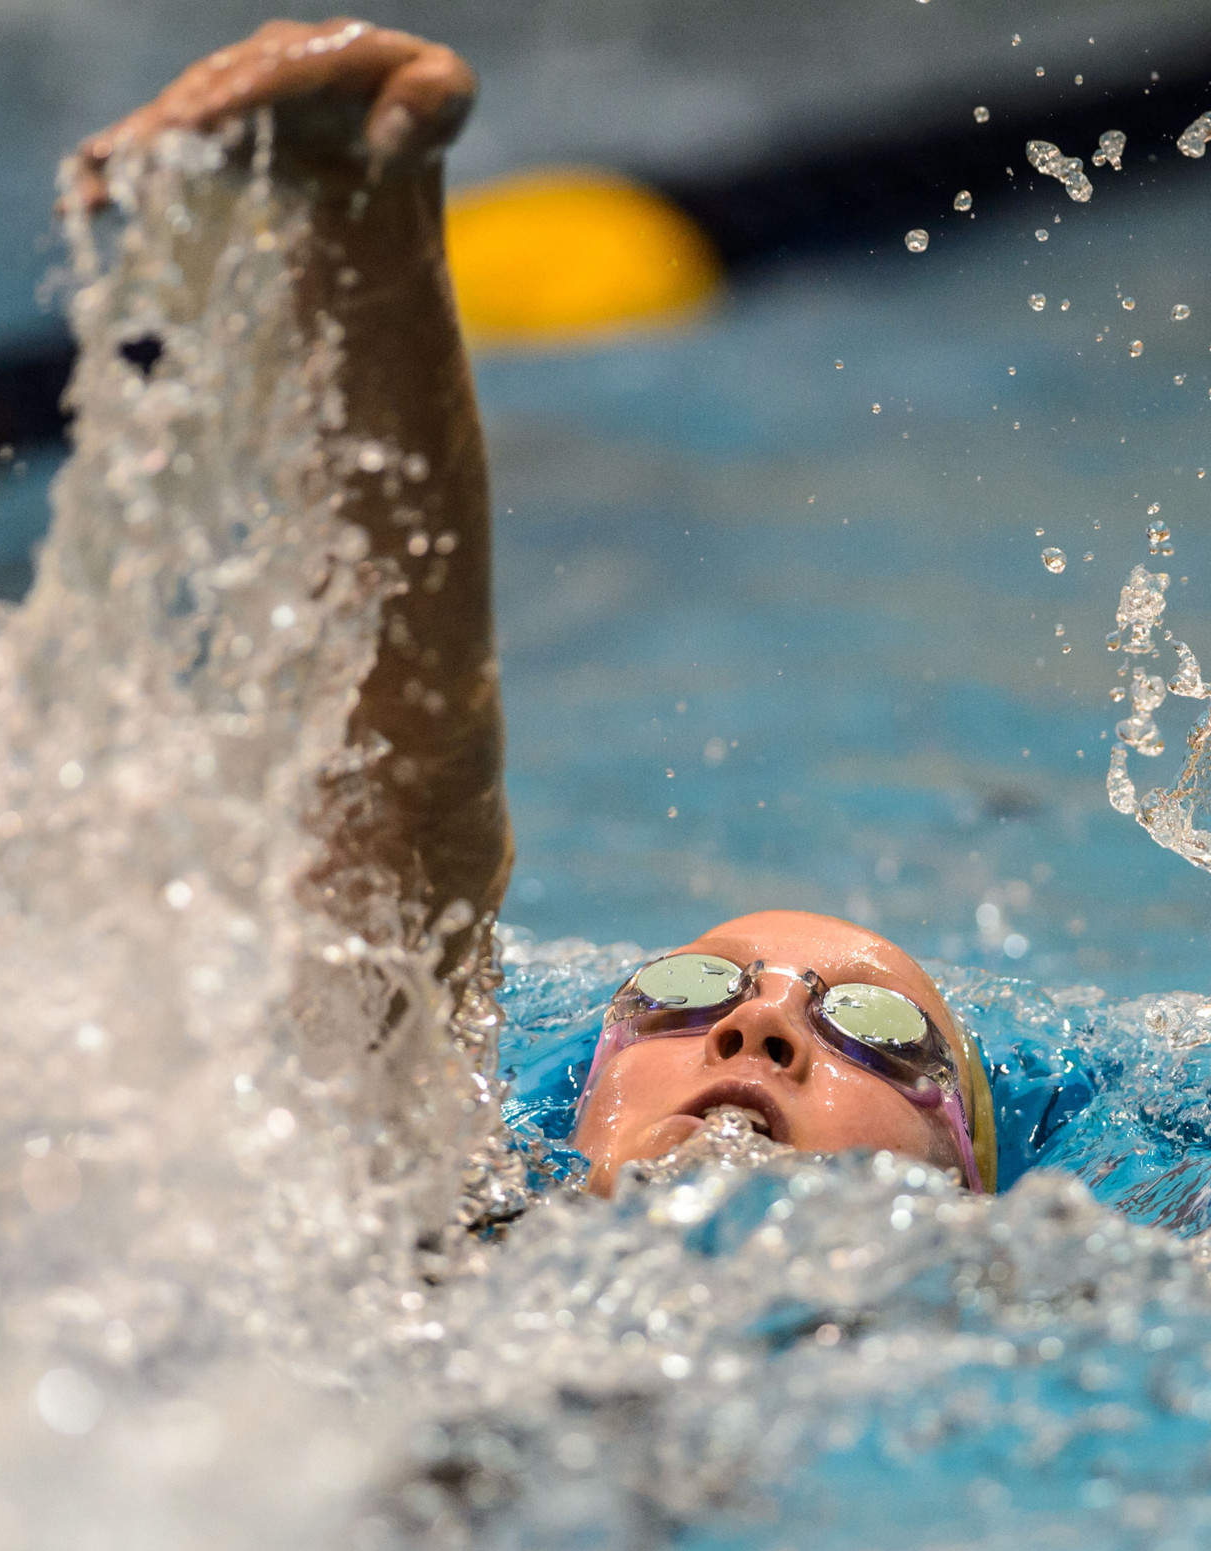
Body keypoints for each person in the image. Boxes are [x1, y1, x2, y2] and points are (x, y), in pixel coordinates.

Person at [75, 17, 997, 1196]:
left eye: (874, 1029)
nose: (757, 1031)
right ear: (585, 1106)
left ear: (963, 1179)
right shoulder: (452, 1249)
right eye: (681, 992)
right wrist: (370, 202)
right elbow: (411, 832)